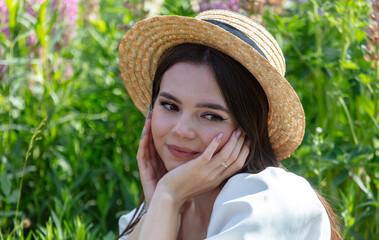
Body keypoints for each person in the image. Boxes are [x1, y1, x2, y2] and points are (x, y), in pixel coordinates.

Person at [117, 9, 340, 240]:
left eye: (211, 116)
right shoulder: (154, 210)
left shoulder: (274, 201)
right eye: (170, 106)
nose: (181, 130)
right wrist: (161, 206)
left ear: (246, 128)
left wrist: (167, 196)